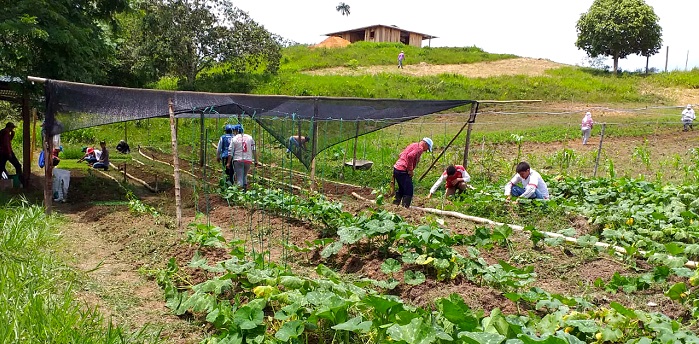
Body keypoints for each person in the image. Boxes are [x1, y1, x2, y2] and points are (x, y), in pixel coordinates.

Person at [393, 137, 433, 208]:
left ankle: (394, 206)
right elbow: (410, 156)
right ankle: (404, 209)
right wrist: (410, 170)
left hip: (397, 168)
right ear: (425, 144)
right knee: (409, 191)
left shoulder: (413, 144)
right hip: (403, 170)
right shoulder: (420, 148)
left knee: (401, 189)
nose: (425, 150)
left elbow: (401, 154)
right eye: (427, 148)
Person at [227, 125, 258, 191]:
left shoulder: (234, 138)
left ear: (236, 131)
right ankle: (245, 191)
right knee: (244, 175)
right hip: (248, 160)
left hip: (238, 160)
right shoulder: (250, 137)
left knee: (239, 177)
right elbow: (254, 149)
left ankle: (239, 193)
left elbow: (230, 151)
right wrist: (256, 160)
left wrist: (228, 162)